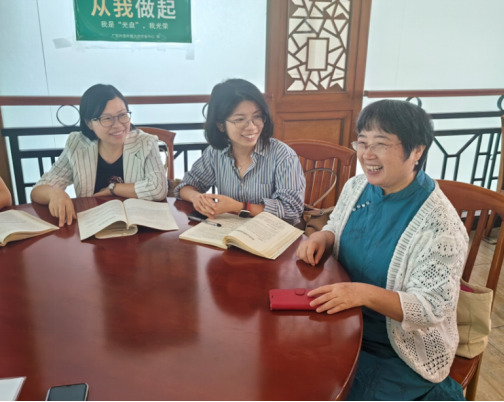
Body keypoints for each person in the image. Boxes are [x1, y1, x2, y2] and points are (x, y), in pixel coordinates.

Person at [297, 100, 469, 400]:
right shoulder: (357, 187)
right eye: (362, 142)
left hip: (397, 348)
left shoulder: (441, 225)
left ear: (417, 151)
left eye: (381, 144)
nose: (367, 154)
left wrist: (363, 294)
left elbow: (430, 308)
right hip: (342, 321)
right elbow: (337, 224)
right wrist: (323, 237)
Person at [31, 84, 167, 227]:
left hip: (136, 226)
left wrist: (112, 189)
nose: (118, 125)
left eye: (122, 115)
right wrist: (55, 193)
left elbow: (158, 189)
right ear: (89, 123)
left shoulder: (146, 143)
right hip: (93, 224)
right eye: (106, 118)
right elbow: (38, 190)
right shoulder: (77, 144)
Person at [176, 79, 305, 225]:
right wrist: (197, 198)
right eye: (240, 119)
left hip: (272, 232)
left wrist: (239, 207)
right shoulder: (215, 153)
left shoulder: (283, 155)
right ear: (220, 125)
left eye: (257, 117)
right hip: (229, 231)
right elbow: (185, 186)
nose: (251, 127)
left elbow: (292, 210)